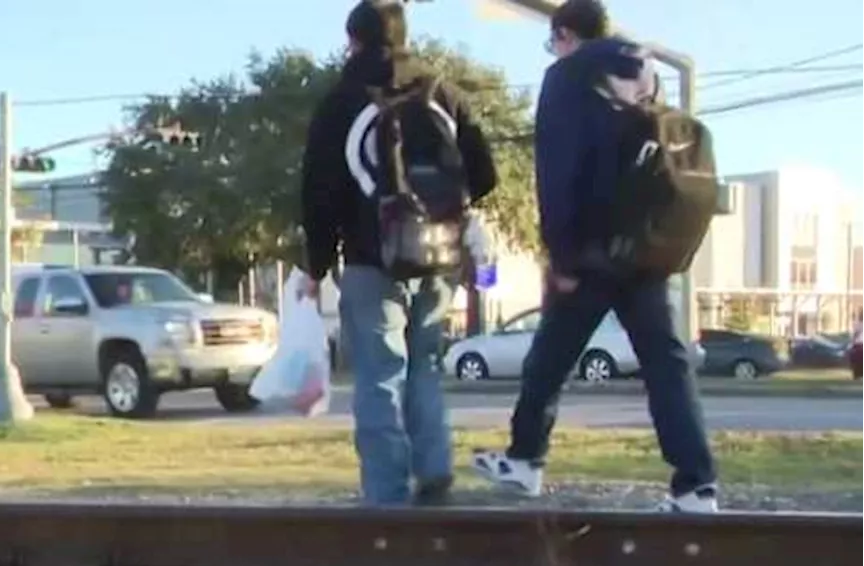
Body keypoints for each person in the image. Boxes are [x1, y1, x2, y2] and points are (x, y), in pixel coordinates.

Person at [470, 0, 719, 513]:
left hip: (590, 250)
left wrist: (559, 257)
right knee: (665, 365)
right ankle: (696, 485)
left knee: (550, 358)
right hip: (644, 244)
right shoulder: (647, 72)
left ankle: (525, 461)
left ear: (564, 34)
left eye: (553, 40)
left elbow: (559, 170)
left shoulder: (567, 76)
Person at [299, 0, 498, 506]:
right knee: (426, 366)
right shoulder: (443, 94)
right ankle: (434, 473)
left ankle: (387, 495)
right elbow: (485, 172)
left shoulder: (341, 101)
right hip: (439, 258)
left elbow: (318, 192)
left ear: (355, 40)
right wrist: (444, 208)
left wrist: (317, 263)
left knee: (379, 374)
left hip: (371, 259)